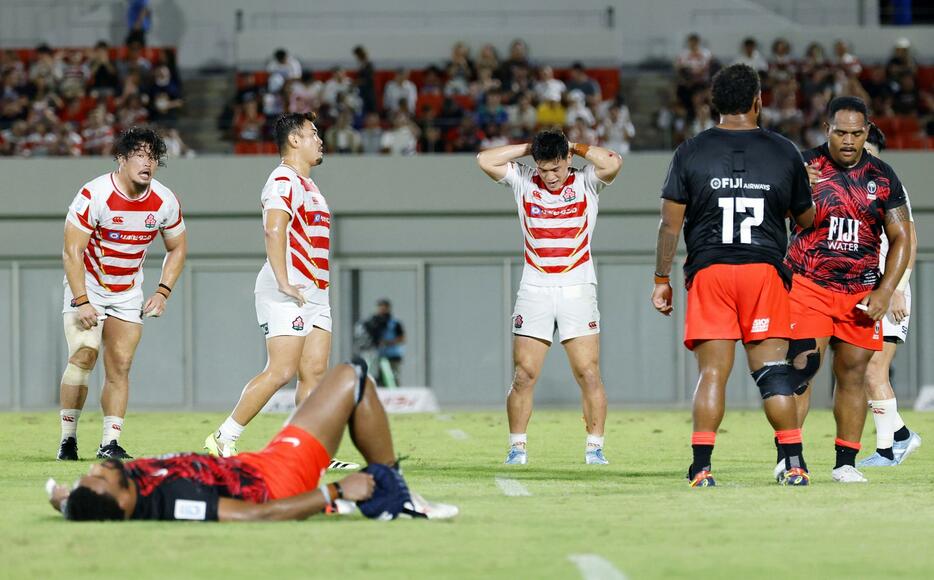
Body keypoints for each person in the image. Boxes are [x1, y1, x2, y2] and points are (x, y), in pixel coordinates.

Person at [652, 64, 816, 487]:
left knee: (712, 375)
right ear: (758, 102)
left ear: (713, 104)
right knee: (774, 372)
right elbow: (807, 219)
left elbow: (669, 226)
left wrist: (661, 279)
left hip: (710, 273)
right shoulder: (784, 152)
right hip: (763, 272)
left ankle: (702, 467)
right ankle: (793, 462)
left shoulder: (689, 151)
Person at [49, 360, 458, 521]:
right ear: (120, 503)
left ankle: (388, 494)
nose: (98, 468)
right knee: (353, 379)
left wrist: (66, 498)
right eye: (99, 480)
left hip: (261, 462)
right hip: (277, 478)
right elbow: (255, 516)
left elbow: (80, 502)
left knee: (350, 380)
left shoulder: (110, 496)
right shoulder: (172, 501)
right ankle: (392, 496)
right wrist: (333, 491)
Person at [784, 96, 912, 484]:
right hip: (808, 284)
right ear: (827, 130)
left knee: (854, 376)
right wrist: (792, 191)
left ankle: (846, 463)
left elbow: (902, 237)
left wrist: (887, 290)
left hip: (860, 292)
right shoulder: (803, 166)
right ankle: (790, 458)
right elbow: (772, 214)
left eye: (857, 133)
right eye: (840, 132)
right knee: (801, 371)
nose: (849, 140)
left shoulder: (884, 175)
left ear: (868, 132)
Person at [477, 130, 623, 465]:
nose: (550, 176)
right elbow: (485, 159)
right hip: (535, 289)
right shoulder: (524, 181)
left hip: (578, 289)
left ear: (568, 160)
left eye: (556, 168)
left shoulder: (586, 181)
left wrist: (573, 146)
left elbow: (613, 161)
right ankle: (517, 447)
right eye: (543, 168)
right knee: (524, 373)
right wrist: (531, 149)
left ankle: (594, 447)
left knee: (588, 372)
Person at [205, 112, 334, 460]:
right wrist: (283, 281)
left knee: (315, 372)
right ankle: (224, 436)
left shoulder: (310, 185)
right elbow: (273, 229)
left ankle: (304, 449)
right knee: (281, 370)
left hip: (314, 290)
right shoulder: (282, 180)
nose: (319, 139)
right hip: (285, 287)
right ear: (294, 140)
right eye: (313, 133)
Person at [58, 127, 187, 461]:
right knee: (84, 354)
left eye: (153, 157)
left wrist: (162, 291)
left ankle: (109, 443)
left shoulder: (164, 200)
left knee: (121, 365)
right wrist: (83, 299)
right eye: (140, 155)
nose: (148, 163)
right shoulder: (94, 194)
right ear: (122, 158)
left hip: (128, 290)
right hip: (87, 284)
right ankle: (67, 440)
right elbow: (72, 252)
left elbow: (177, 247)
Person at [362, 299, 406, 387]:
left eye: (384, 308)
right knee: (376, 377)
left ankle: (394, 396)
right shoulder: (373, 322)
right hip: (377, 354)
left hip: (392, 356)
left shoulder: (394, 323)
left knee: (392, 378)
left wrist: (388, 342)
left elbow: (402, 338)